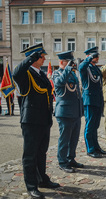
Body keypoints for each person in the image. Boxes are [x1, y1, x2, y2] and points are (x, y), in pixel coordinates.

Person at [12, 43, 60, 199]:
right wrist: (29, 59)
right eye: (41, 56)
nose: (44, 58)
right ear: (34, 58)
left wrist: (49, 118)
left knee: (41, 153)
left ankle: (42, 179)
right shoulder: (26, 74)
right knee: (30, 155)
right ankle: (31, 186)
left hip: (43, 120)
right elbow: (16, 74)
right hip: (31, 121)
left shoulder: (40, 73)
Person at [53, 51, 84, 173]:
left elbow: (77, 93)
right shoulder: (57, 73)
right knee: (64, 139)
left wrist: (80, 110)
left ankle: (71, 158)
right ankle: (62, 161)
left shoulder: (72, 75)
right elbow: (59, 83)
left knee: (74, 138)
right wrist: (67, 69)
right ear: (62, 62)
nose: (71, 64)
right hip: (64, 112)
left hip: (75, 112)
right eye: (68, 62)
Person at [79, 46, 106, 158]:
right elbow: (80, 67)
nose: (97, 57)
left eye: (96, 55)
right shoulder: (86, 67)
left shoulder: (95, 68)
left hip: (97, 100)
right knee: (90, 125)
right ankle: (90, 149)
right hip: (89, 100)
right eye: (95, 56)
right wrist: (88, 59)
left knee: (95, 125)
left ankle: (96, 147)